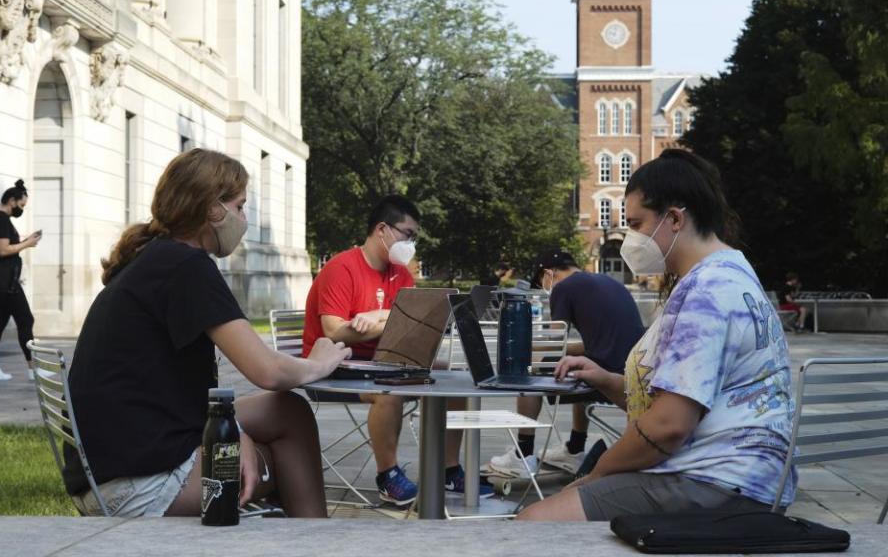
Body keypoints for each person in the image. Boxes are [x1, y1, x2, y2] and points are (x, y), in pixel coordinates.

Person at [62, 149, 351, 518]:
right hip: (138, 487)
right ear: (214, 210)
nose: (244, 219)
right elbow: (269, 372)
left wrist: (236, 432)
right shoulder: (188, 267)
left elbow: (160, 388)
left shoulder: (155, 259)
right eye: (240, 206)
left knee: (287, 411)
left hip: (109, 469)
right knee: (286, 464)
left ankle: (312, 539)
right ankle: (316, 543)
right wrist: (318, 363)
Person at [518, 149, 797, 521]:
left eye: (636, 224)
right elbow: (679, 401)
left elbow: (668, 426)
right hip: (742, 478)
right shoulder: (732, 272)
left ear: (675, 219)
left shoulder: (706, 291)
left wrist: (596, 474)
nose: (630, 238)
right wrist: (606, 380)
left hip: (714, 482)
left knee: (531, 523)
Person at [302, 195, 491, 506]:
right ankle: (387, 475)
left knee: (455, 380)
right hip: (334, 366)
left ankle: (449, 469)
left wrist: (377, 317)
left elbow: (415, 321)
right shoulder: (342, 268)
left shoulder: (400, 273)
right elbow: (334, 331)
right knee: (388, 391)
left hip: (383, 362)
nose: (411, 243)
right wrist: (392, 320)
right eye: (408, 234)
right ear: (382, 230)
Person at [486, 250, 644, 477]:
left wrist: (527, 351)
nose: (543, 287)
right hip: (633, 370)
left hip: (608, 375)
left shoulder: (563, 287)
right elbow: (597, 344)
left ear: (548, 273)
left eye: (541, 281)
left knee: (529, 367)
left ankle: (523, 453)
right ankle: (575, 448)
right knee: (578, 362)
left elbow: (555, 343)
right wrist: (536, 347)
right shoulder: (605, 280)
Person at [0, 179, 41, 381]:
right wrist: (27, 243)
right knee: (25, 319)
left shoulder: (3, 220)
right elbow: (2, 250)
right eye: (21, 205)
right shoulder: (0, 220)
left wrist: (25, 241)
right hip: (3, 281)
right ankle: (34, 368)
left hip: (3, 279)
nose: (22, 209)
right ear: (12, 200)